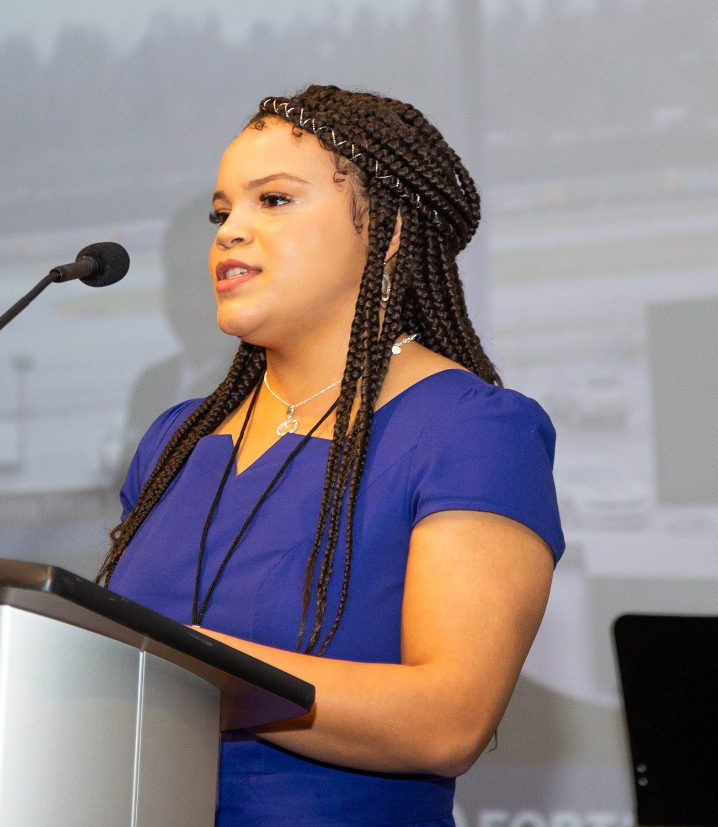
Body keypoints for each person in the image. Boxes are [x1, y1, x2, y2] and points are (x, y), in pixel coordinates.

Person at [100, 86, 562, 827]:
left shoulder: (471, 430)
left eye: (273, 201)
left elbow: (450, 719)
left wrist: (189, 667)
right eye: (222, 213)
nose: (229, 232)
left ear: (384, 230)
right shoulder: (176, 441)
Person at [117, 192, 239, 489]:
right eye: (178, 278)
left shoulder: (267, 378)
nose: (190, 299)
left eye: (204, 277)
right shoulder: (151, 385)